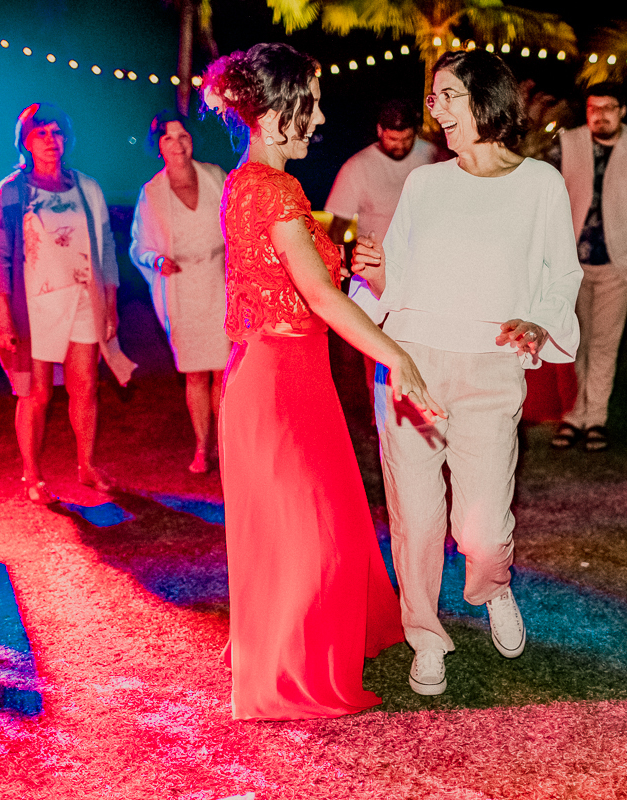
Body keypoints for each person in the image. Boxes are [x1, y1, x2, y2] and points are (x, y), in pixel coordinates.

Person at [211, 43, 443, 720]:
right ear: (277, 108)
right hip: (278, 380)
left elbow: (286, 265)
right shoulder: (273, 187)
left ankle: (308, 640)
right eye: (308, 104)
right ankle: (285, 675)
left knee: (321, 523)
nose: (317, 119)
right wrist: (396, 356)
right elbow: (315, 294)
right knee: (304, 532)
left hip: (286, 375)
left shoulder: (249, 181)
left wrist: (343, 254)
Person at [350, 49, 583, 696]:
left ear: (487, 101)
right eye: (434, 97)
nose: (436, 109)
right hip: (411, 366)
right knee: (416, 518)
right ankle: (426, 636)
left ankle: (492, 585)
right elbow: (394, 278)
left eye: (447, 94)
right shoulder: (427, 182)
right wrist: (372, 272)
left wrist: (538, 321)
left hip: (490, 368)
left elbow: (562, 275)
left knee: (482, 528)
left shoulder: (540, 184)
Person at [0, 103, 136, 504]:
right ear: (26, 141)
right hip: (33, 307)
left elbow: (105, 248)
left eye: (57, 133)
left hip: (83, 299)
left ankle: (86, 466)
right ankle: (31, 475)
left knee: (85, 387)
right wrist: (2, 309)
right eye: (41, 134)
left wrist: (111, 300)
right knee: (36, 394)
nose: (51, 141)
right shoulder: (12, 191)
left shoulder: (87, 187)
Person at [545, 82, 627, 451]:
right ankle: (572, 415)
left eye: (608, 108)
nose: (600, 115)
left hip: (617, 263)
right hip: (568, 263)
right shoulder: (567, 143)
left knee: (603, 344)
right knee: (572, 342)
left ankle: (595, 418)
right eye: (593, 107)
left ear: (622, 111)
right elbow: (542, 191)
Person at [129, 111, 231, 474]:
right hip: (183, 288)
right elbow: (138, 246)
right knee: (196, 373)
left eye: (183, 136)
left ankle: (226, 443)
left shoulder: (216, 176)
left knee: (224, 370)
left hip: (219, 282)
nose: (178, 144)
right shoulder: (152, 193)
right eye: (168, 138)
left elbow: (235, 226)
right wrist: (156, 260)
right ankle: (203, 447)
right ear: (158, 146)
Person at [324, 99, 440, 246]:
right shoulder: (357, 166)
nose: (400, 146)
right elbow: (338, 227)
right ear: (379, 131)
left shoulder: (433, 155)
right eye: (393, 139)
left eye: (407, 139)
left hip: (421, 261)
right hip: (376, 263)